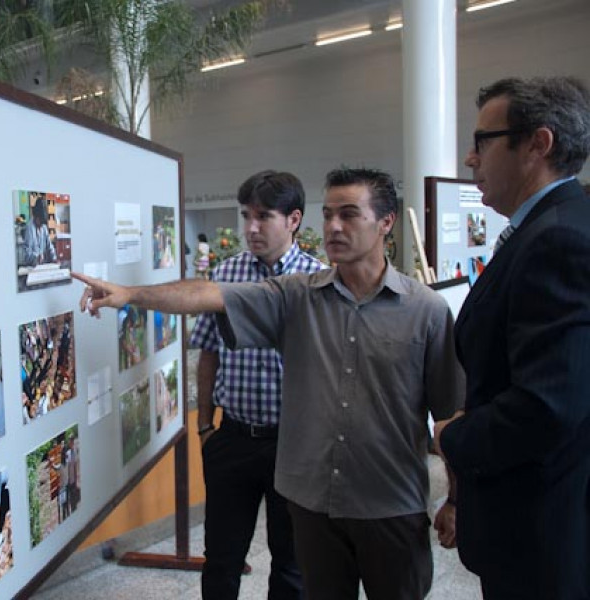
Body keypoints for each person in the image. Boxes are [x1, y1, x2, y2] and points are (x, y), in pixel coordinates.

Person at [75, 167, 464, 600]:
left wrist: (455, 498)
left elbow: (450, 414)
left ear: (386, 222)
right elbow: (210, 295)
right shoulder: (296, 295)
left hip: (391, 505)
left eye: (349, 215)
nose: (334, 226)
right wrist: (131, 294)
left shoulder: (426, 311)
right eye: (329, 214)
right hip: (315, 504)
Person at [434, 76, 590, 600]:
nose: (470, 159)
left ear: (536, 145)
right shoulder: (548, 227)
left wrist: (451, 436)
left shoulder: (559, 240)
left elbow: (546, 405)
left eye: (483, 141)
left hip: (542, 531)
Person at [191, 170, 325, 600]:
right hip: (233, 438)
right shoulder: (225, 276)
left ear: (294, 220)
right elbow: (208, 352)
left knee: (292, 563)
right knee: (222, 560)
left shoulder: (319, 281)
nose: (250, 228)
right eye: (246, 215)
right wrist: (205, 427)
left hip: (295, 444)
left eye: (263, 216)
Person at [21, 194, 58, 267]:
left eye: (43, 223)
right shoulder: (29, 228)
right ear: (35, 216)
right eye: (40, 221)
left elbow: (49, 245)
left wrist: (54, 258)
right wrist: (36, 257)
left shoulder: (43, 227)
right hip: (32, 267)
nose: (41, 225)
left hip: (42, 266)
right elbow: (26, 255)